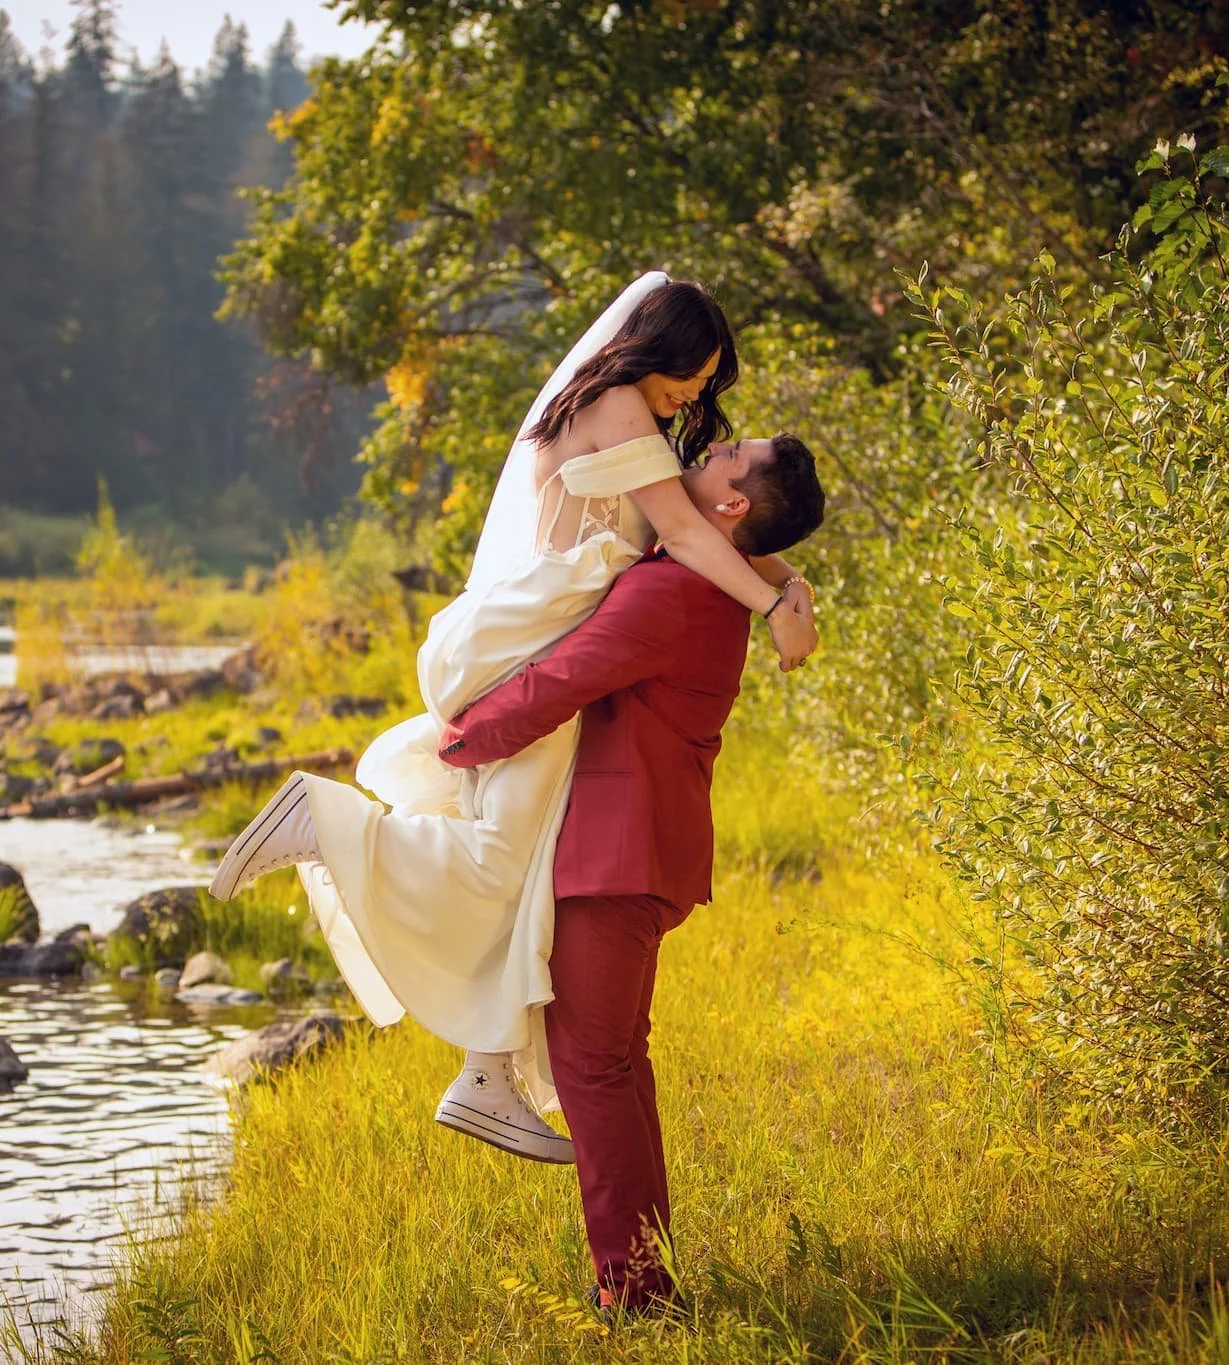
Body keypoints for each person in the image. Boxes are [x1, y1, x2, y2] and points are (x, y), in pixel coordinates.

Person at [209, 273, 819, 1161]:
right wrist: (772, 608)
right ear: (662, 344)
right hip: (529, 636)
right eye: (695, 377)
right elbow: (691, 537)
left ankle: (487, 1070)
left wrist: (789, 581)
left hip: (526, 628)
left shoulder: (620, 415)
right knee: (501, 856)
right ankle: (324, 820)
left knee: (526, 857)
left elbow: (716, 528)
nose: (695, 401)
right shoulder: (618, 408)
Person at [435, 431, 826, 1311]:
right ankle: (647, 1274)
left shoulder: (679, 592)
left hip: (619, 856)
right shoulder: (708, 582)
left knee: (597, 1069)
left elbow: (563, 678)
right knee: (616, 1063)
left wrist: (460, 736)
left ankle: (638, 1293)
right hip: (638, 850)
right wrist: (789, 587)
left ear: (730, 509)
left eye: (730, 454)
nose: (713, 444)